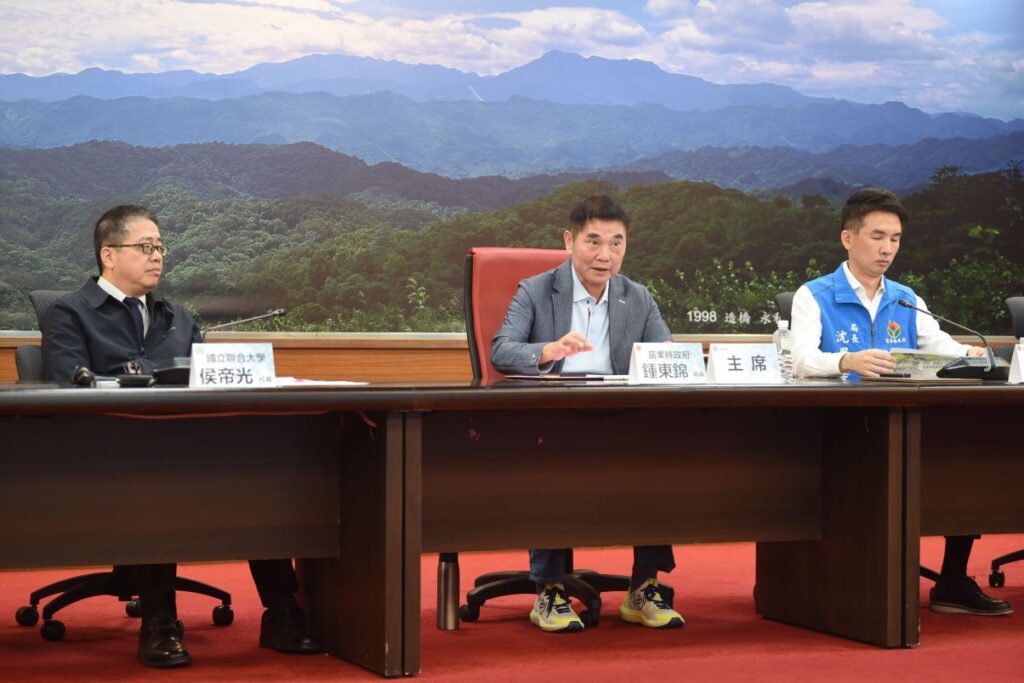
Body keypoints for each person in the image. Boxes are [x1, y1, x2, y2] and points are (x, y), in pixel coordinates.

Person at [41, 205, 323, 667]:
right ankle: (160, 622)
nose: (157, 256)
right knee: (159, 477)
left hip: (189, 445)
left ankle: (282, 612)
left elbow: (206, 384)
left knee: (259, 476)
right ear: (108, 255)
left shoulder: (177, 316)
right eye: (144, 247)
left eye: (160, 247)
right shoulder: (69, 312)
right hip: (105, 453)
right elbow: (64, 383)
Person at [791, 187, 1013, 617]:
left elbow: (942, 347)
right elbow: (801, 360)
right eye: (877, 237)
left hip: (907, 421)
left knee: (965, 461)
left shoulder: (906, 298)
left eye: (895, 239)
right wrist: (845, 360)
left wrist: (971, 354)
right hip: (838, 428)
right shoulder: (814, 295)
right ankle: (843, 582)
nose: (887, 248)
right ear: (848, 238)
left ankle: (952, 579)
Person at [491, 194, 684, 633]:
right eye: (593, 241)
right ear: (569, 241)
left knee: (661, 454)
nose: (605, 255)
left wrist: (673, 358)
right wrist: (549, 350)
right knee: (553, 463)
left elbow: (666, 352)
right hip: (553, 417)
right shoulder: (536, 290)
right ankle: (550, 589)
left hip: (620, 417)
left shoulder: (637, 297)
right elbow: (502, 350)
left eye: (616, 243)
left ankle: (643, 587)